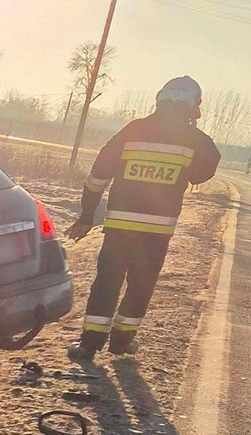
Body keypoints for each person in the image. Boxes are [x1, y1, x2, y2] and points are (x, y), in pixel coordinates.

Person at [65, 76, 222, 361]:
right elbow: (203, 172)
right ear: (193, 107)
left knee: (106, 282)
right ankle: (122, 341)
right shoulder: (197, 140)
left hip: (119, 227)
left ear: (160, 99)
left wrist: (86, 215)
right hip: (157, 231)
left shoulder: (133, 130)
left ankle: (89, 345)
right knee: (141, 284)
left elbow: (98, 175)